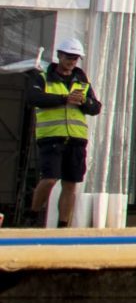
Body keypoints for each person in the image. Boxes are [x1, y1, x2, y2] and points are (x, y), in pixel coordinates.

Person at [26, 36, 103, 229]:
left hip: (77, 139)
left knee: (71, 183)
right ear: (59, 55)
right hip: (52, 136)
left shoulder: (82, 81)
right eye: (69, 57)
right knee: (50, 178)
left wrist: (84, 102)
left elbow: (95, 107)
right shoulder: (42, 77)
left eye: (75, 58)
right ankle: (33, 215)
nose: (72, 61)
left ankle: (62, 226)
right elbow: (34, 98)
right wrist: (64, 99)